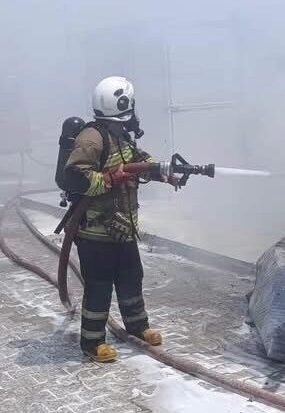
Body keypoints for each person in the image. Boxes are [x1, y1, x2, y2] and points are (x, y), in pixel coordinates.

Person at [63, 76, 171, 362]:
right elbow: (73, 175)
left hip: (121, 228)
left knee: (131, 277)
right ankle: (92, 342)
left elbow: (136, 160)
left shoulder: (119, 132)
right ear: (124, 103)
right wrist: (108, 179)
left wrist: (162, 171)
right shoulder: (92, 137)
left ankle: (137, 326)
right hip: (96, 232)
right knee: (99, 286)